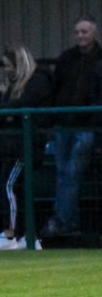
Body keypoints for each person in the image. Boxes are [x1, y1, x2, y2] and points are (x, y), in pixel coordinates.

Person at [0, 45, 53, 250]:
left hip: (26, 146)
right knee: (19, 189)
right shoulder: (15, 85)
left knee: (7, 185)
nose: (7, 70)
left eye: (8, 65)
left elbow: (18, 106)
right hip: (14, 145)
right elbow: (6, 108)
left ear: (18, 64)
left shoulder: (37, 82)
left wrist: (7, 114)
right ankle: (28, 236)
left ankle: (9, 234)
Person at [42, 15, 102, 237]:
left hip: (86, 125)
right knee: (63, 173)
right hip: (63, 124)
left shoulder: (99, 60)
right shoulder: (66, 59)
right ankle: (69, 222)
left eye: (84, 32)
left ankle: (60, 220)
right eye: (77, 32)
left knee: (72, 173)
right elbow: (55, 89)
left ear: (94, 33)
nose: (80, 36)